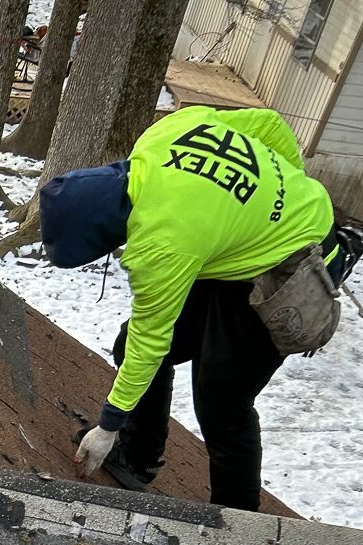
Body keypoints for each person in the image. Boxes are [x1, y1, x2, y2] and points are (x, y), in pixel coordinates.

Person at [38, 105, 352, 510]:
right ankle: (137, 458)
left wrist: (108, 426)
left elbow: (149, 343)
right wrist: (284, 191)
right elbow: (270, 123)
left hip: (291, 263)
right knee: (128, 342)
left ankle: (239, 526)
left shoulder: (162, 243)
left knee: (222, 396)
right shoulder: (163, 133)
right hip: (230, 247)